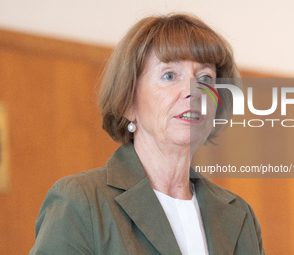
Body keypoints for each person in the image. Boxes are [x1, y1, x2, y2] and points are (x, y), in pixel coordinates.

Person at [30, 13, 265, 255]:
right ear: (128, 102)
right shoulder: (81, 202)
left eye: (205, 78)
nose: (193, 91)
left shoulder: (241, 215)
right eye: (170, 75)